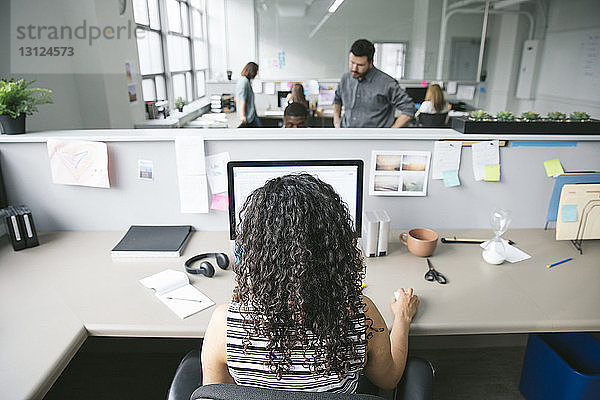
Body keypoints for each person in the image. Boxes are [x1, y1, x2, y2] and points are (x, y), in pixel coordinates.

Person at [201, 174, 420, 393]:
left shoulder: (225, 324)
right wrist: (402, 318)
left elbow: (216, 394)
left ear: (256, 249)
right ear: (336, 246)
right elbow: (389, 380)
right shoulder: (361, 314)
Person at [333, 39, 415, 128]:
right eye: (352, 62)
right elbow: (337, 99)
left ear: (371, 63)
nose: (354, 68)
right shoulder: (346, 78)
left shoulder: (387, 83)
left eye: (360, 65)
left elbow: (409, 108)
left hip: (375, 140)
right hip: (347, 137)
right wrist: (337, 122)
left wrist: (391, 133)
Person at [236, 62, 261, 127]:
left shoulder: (245, 80)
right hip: (248, 116)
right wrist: (243, 115)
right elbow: (242, 99)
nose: (256, 74)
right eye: (256, 71)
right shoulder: (244, 81)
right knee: (260, 131)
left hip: (251, 114)